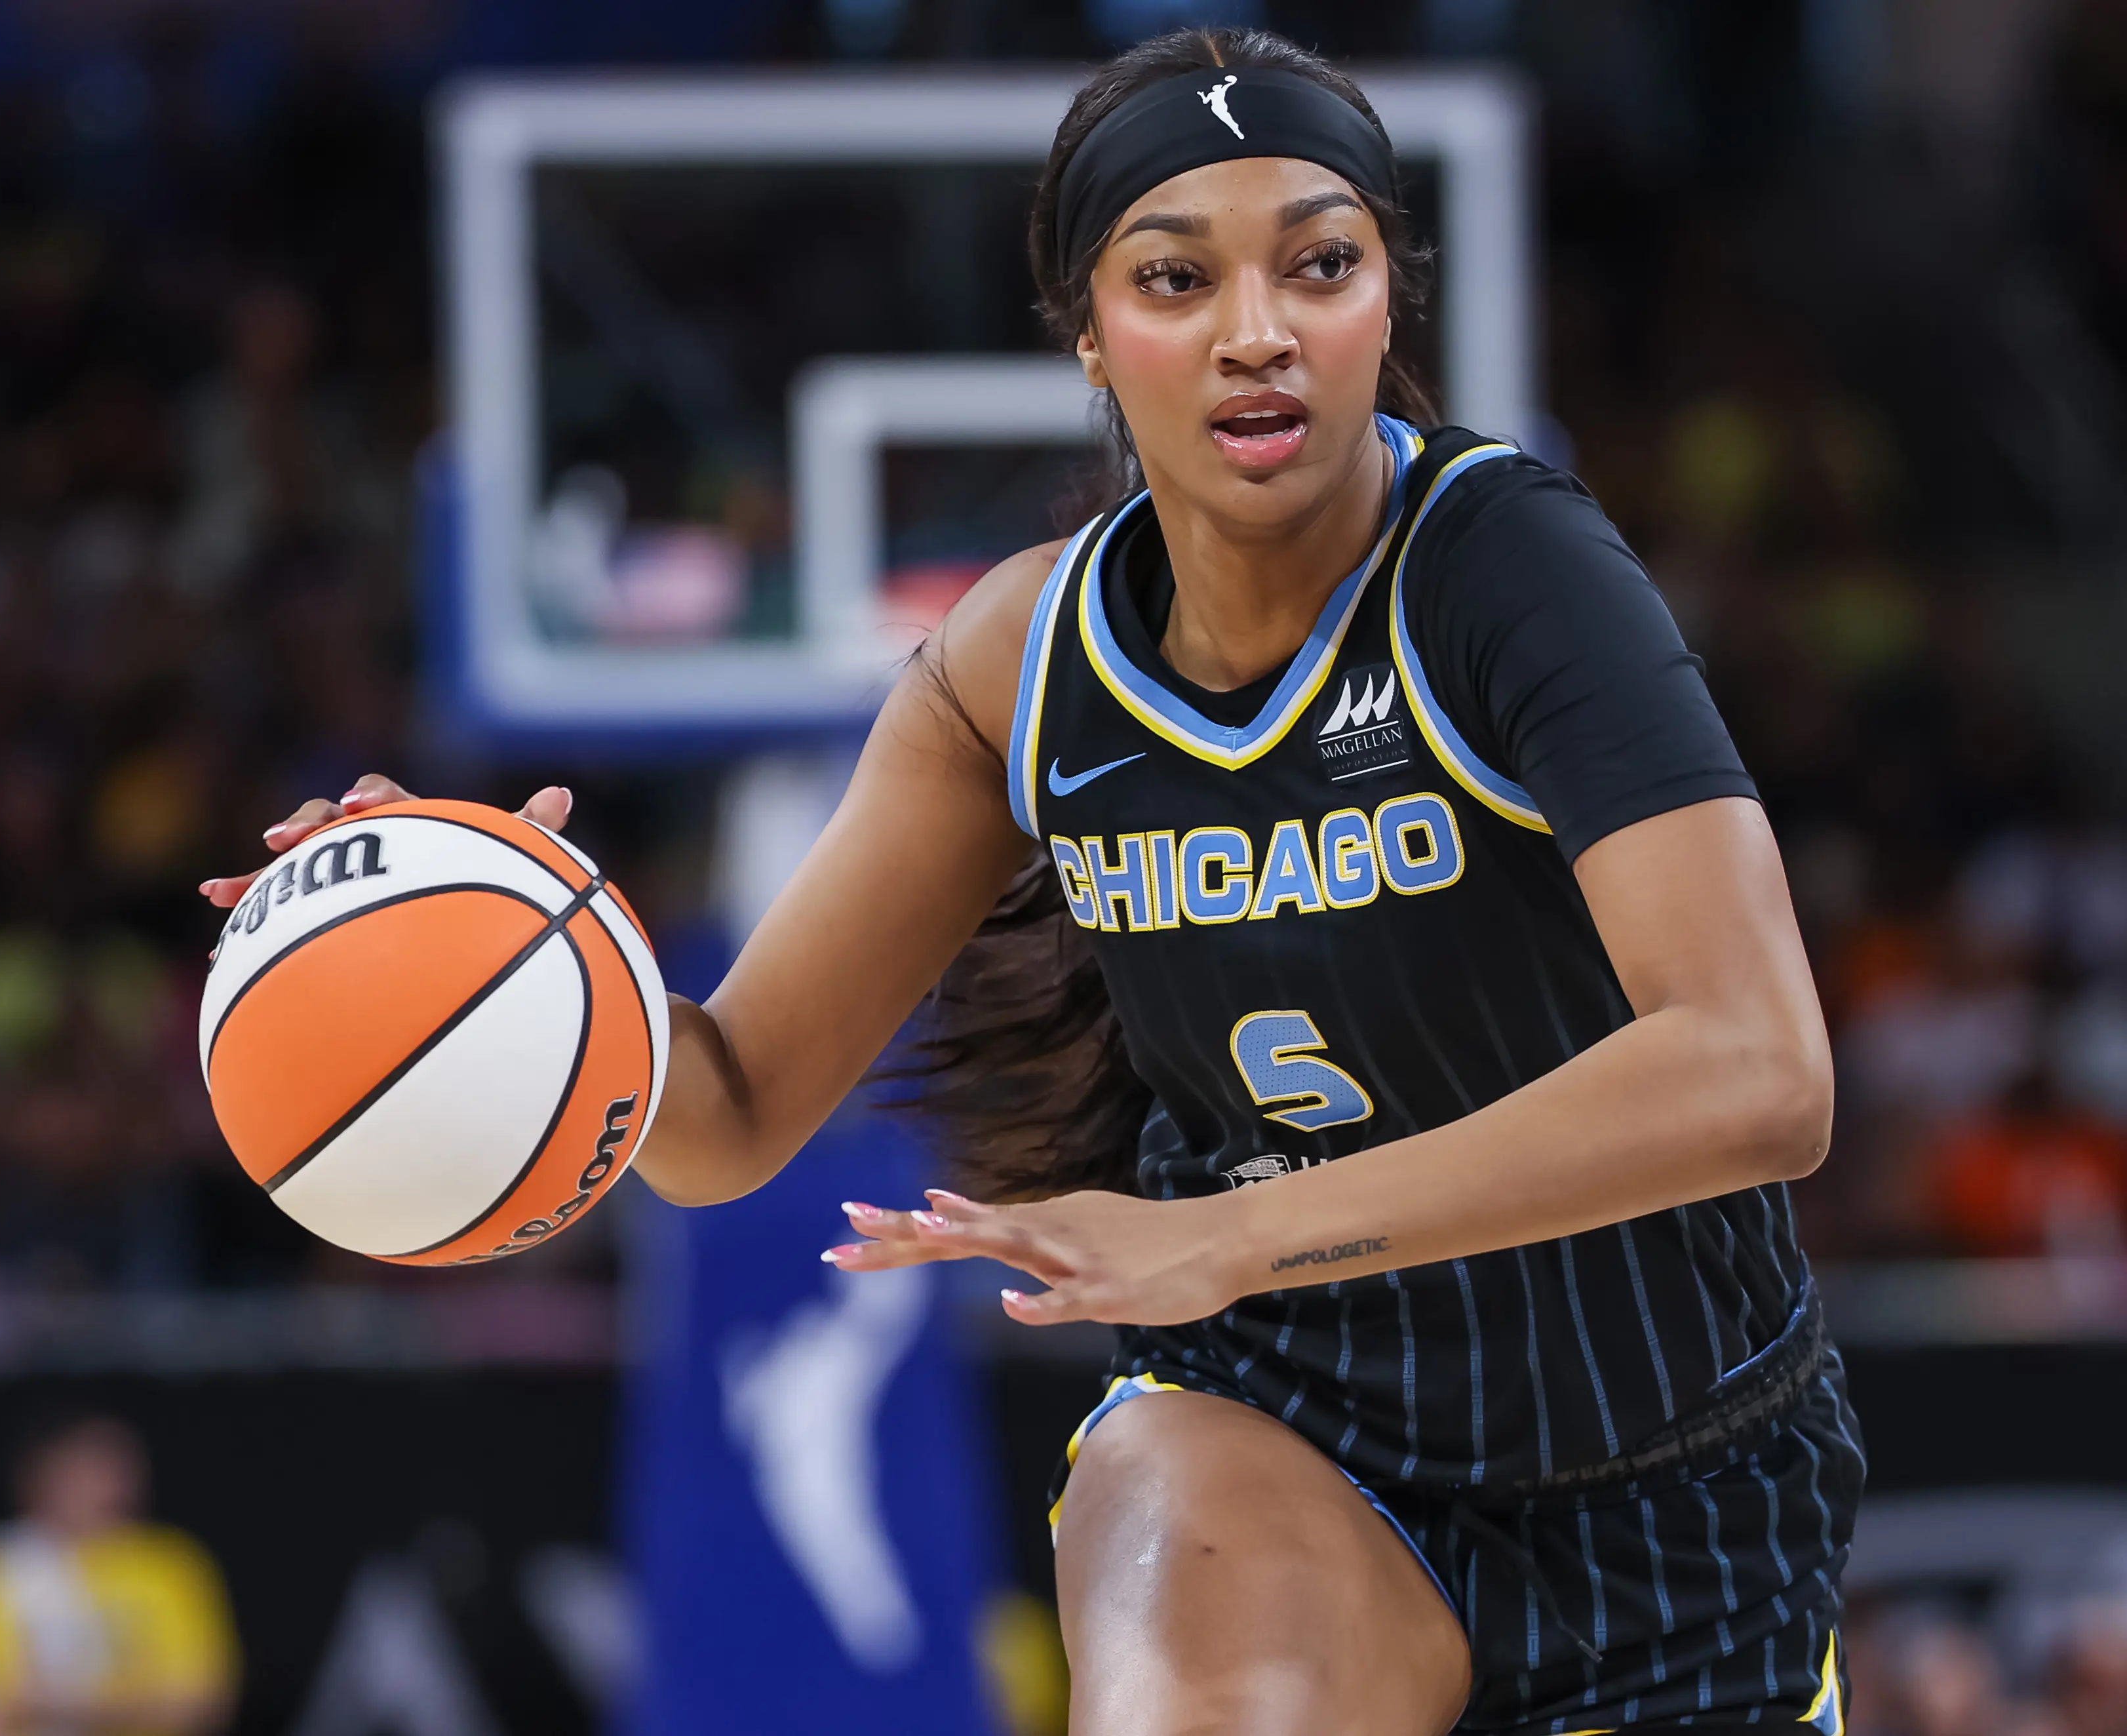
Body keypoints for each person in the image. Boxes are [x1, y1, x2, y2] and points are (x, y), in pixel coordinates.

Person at [208, 27, 1860, 1735]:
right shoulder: (1015, 665)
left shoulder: (1501, 567)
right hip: (1287, 1430)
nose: (1254, 329)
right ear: (1087, 330)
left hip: (1676, 1469)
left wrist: (1227, 1235)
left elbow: (1754, 1072)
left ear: (1388, 299)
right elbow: (727, 1115)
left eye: (1319, 263)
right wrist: (524, 959)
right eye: (1173, 276)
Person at [0, 1415, 238, 1736]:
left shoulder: (171, 1562)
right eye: (87, 1471)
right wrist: (144, 1699)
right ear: (41, 1478)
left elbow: (206, 1701)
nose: (110, 1487)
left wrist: (60, 1702)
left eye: (120, 1471)